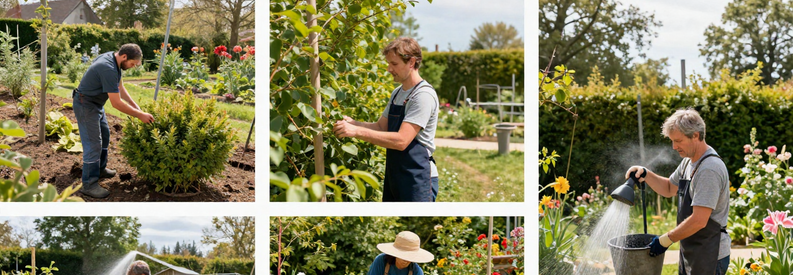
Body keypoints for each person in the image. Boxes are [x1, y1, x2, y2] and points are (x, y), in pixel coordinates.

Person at [333, 37, 440, 202]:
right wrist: (352, 123)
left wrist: (355, 131)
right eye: (389, 63)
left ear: (411, 62)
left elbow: (402, 140)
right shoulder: (398, 92)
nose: (389, 69)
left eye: (394, 64)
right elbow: (381, 127)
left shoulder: (422, 95)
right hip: (396, 175)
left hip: (417, 178)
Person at [624, 109, 730, 274]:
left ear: (695, 135)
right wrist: (645, 173)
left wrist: (665, 240)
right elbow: (668, 188)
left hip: (710, 254)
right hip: (693, 249)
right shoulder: (689, 162)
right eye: (672, 141)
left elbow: (699, 220)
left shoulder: (709, 169)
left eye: (678, 141)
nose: (674, 147)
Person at [73, 43, 154, 198]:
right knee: (93, 143)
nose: (132, 67)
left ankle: (100, 169)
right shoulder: (107, 67)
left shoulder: (114, 59)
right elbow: (116, 103)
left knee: (105, 136)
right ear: (124, 57)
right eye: (132, 63)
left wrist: (137, 108)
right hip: (86, 105)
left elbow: (120, 89)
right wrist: (139, 115)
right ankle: (89, 185)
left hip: (96, 103)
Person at [367, 231, 434, 275]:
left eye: (410, 256)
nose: (406, 260)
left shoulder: (416, 272)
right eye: (403, 255)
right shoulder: (381, 261)